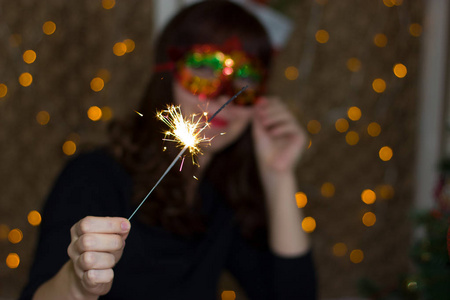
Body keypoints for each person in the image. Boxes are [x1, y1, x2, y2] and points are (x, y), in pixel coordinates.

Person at [20, 1, 317, 299]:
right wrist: (77, 282)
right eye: (204, 67)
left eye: (245, 77)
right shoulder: (94, 176)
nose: (222, 95)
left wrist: (279, 174)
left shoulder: (222, 197)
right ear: (167, 73)